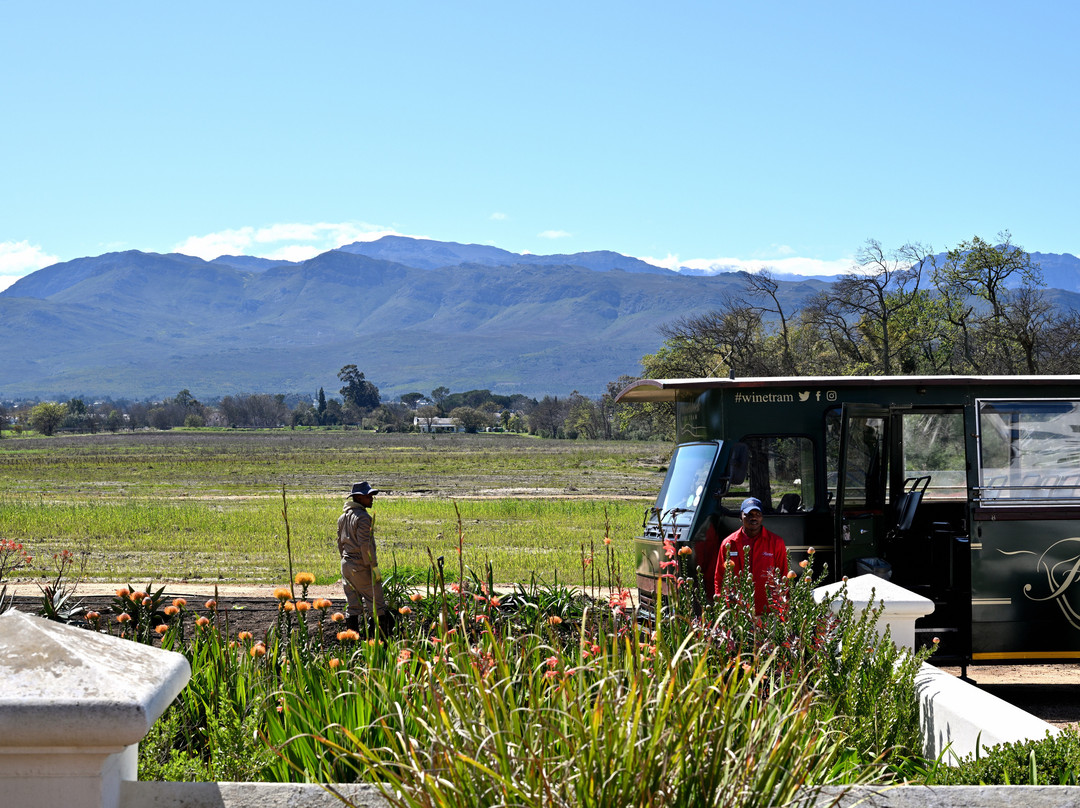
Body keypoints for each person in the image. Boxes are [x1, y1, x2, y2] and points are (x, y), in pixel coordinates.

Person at [337, 481, 395, 635]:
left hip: (346, 565)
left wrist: (346, 562)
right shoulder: (363, 518)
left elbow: (340, 544)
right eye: (368, 496)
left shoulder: (342, 517)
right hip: (361, 565)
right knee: (377, 604)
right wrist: (373, 567)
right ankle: (380, 641)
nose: (371, 498)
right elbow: (365, 546)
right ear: (358, 498)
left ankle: (352, 641)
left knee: (353, 605)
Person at [713, 496, 789, 614]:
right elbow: (720, 576)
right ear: (740, 517)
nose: (753, 517)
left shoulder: (776, 542)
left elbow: (783, 574)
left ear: (762, 517)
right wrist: (721, 601)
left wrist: (783, 605)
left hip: (768, 610)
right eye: (748, 514)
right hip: (737, 611)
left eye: (757, 514)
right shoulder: (728, 543)